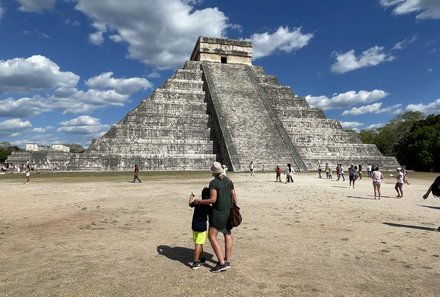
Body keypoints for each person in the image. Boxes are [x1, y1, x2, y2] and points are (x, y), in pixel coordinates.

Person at [190, 161, 237, 273]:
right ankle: (227, 260)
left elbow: (213, 200)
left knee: (212, 236)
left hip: (219, 212)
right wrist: (235, 207)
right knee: (227, 234)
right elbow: (234, 194)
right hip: (228, 211)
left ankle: (221, 263)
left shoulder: (214, 183)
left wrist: (199, 201)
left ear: (213, 172)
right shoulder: (228, 180)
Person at [188, 188, 212, 269]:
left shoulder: (197, 202)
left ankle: (202, 258)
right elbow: (211, 217)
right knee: (198, 243)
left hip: (194, 225)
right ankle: (196, 262)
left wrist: (191, 196)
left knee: (199, 242)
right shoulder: (208, 206)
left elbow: (190, 204)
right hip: (202, 227)